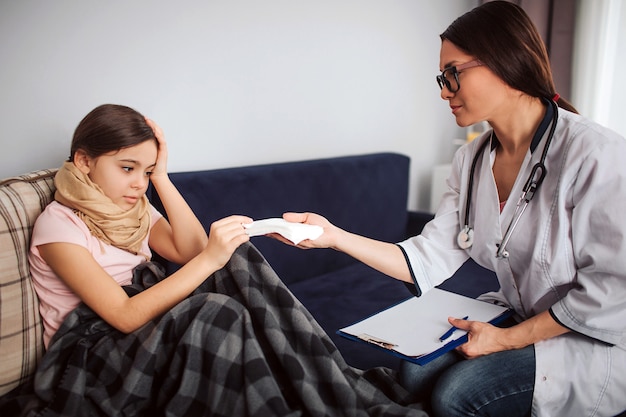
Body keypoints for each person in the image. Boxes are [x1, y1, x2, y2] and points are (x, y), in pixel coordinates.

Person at [277, 2, 626, 416]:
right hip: (520, 313)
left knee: (455, 395)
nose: (444, 91)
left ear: (506, 61)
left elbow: (613, 290)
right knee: (413, 375)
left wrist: (506, 340)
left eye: (453, 74)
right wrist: (334, 237)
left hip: (591, 335)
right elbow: (425, 258)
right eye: (442, 78)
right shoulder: (472, 159)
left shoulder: (596, 154)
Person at [7, 104, 429, 416]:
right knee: (216, 309)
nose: (138, 184)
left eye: (146, 171)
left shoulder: (133, 210)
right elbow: (123, 315)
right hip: (91, 354)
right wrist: (209, 256)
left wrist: (163, 179)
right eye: (127, 168)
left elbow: (190, 250)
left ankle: (321, 381)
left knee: (235, 255)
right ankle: (324, 385)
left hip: (141, 334)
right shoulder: (59, 226)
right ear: (84, 160)